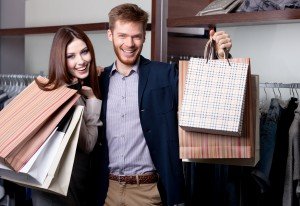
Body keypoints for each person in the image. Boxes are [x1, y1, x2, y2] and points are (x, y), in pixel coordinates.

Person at [92, 3, 232, 206]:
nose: (129, 43)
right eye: (122, 35)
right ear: (110, 35)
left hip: (148, 192)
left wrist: (220, 57)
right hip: (106, 192)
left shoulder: (165, 74)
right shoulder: (99, 80)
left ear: (144, 37)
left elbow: (206, 96)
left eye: (136, 36)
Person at [32, 26, 102, 206]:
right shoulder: (67, 97)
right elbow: (87, 145)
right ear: (60, 59)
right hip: (62, 190)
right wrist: (93, 100)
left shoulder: (51, 89)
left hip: (46, 185)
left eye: (84, 52)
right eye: (71, 56)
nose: (81, 61)